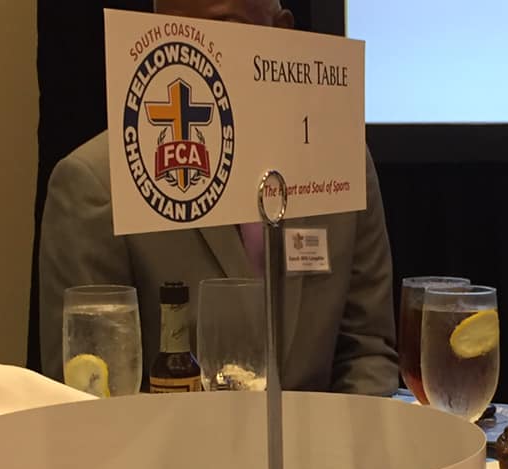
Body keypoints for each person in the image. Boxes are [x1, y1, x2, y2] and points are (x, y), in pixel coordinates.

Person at [39, 0, 398, 396]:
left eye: (221, 26)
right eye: (169, 29)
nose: (190, 50)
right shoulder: (96, 185)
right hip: (170, 437)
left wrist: (343, 437)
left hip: (323, 435)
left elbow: (367, 353)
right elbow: (87, 395)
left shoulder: (339, 164)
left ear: (281, 32)